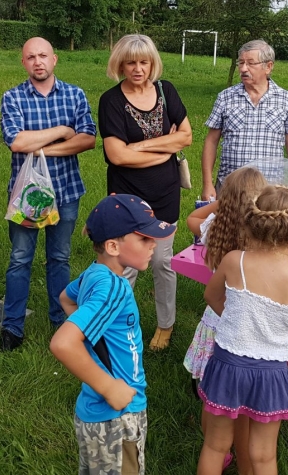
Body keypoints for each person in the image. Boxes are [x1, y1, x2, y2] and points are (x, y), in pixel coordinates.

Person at [185, 167, 288, 475]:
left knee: (215, 446)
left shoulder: (234, 260)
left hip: (227, 364)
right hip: (271, 372)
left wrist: (238, 322)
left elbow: (212, 296)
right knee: (264, 456)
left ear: (252, 220)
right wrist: (272, 333)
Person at [50, 193, 177, 475]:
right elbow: (63, 343)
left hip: (96, 414)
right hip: (116, 417)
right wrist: (109, 387)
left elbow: (66, 298)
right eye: (144, 238)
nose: (153, 244)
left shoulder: (94, 274)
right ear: (112, 246)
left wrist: (93, 337)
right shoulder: (114, 288)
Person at [0, 37, 97, 351]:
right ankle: (12, 326)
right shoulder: (13, 97)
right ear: (23, 62)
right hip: (27, 197)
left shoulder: (74, 95)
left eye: (43, 55)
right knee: (20, 259)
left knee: (59, 257)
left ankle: (60, 321)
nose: (37, 62)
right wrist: (62, 132)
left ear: (54, 59)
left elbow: (88, 139)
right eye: (31, 57)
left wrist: (40, 148)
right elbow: (16, 141)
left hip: (66, 190)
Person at [98, 33, 193, 350]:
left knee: (162, 263)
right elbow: (117, 156)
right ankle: (118, 325)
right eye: (130, 63)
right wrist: (165, 149)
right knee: (125, 265)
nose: (137, 69)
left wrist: (140, 146)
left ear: (152, 63)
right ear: (120, 65)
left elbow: (186, 137)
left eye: (143, 62)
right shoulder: (111, 101)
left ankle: (166, 324)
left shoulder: (166, 91)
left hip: (165, 192)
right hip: (127, 197)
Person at [201, 40, 288, 201]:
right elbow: (211, 141)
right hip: (230, 188)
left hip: (269, 191)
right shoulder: (225, 97)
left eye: (250, 63)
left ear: (268, 66)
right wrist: (207, 184)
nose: (243, 69)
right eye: (241, 63)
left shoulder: (285, 100)